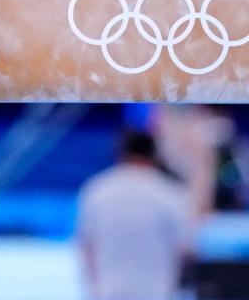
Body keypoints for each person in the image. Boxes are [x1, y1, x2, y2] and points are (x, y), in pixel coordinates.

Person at [76, 128, 196, 300]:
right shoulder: (170, 193)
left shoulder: (97, 190)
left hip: (109, 290)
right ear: (154, 155)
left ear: (120, 154)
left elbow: (87, 246)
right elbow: (185, 249)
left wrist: (94, 288)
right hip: (156, 291)